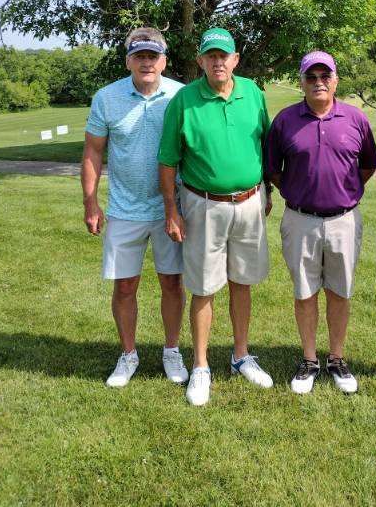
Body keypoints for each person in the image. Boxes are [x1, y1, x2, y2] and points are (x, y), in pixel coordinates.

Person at [158, 27, 273, 406]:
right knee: (204, 286)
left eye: (224, 55)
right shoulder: (184, 100)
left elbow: (264, 145)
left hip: (250, 202)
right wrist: (171, 210)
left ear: (235, 59)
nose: (218, 61)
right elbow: (168, 160)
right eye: (211, 56)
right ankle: (202, 365)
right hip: (203, 204)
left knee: (243, 281)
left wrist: (267, 191)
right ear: (201, 61)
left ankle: (241, 356)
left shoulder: (253, 93)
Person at [265, 51, 376, 394]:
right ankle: (309, 359)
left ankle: (337, 357)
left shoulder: (356, 118)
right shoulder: (286, 120)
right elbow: (272, 169)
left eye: (324, 76)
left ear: (335, 80)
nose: (318, 82)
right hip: (300, 219)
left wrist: (346, 191)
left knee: (340, 291)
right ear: (301, 82)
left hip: (344, 220)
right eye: (311, 77)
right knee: (305, 292)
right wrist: (295, 190)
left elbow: (368, 165)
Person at [81, 28, 188, 388]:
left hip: (170, 207)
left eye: (153, 56)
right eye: (139, 56)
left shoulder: (181, 95)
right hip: (125, 209)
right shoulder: (107, 98)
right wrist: (91, 201)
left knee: (172, 283)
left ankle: (171, 351)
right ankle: (128, 355)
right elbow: (94, 151)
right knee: (125, 286)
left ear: (164, 61)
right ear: (128, 60)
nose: (146, 62)